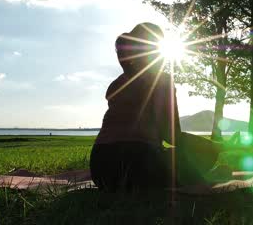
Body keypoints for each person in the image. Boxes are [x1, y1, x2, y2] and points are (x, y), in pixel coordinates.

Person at [90, 23, 221, 192]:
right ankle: (192, 175)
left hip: (101, 169)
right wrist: (213, 145)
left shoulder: (116, 84)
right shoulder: (163, 81)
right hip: (140, 167)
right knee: (208, 152)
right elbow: (172, 136)